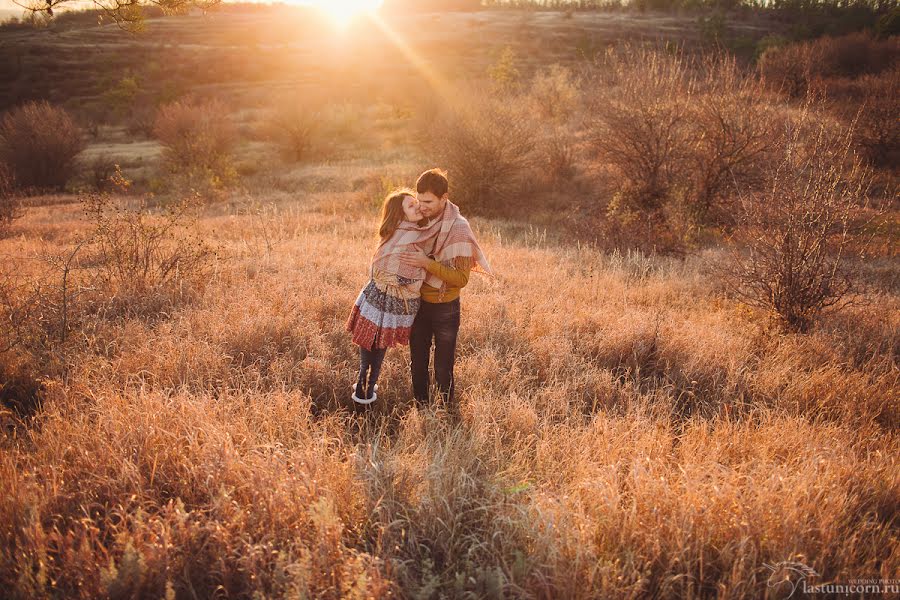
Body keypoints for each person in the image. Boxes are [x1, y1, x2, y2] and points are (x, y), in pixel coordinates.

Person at [399, 168, 492, 412]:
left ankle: (446, 412)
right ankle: (422, 410)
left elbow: (461, 278)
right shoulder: (416, 221)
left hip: (445, 308)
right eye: (419, 201)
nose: (422, 206)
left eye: (428, 201)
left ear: (444, 197)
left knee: (443, 367)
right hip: (417, 304)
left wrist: (425, 263)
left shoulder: (459, 228)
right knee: (417, 363)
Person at [345, 189, 442, 405]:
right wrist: (415, 275)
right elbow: (400, 272)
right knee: (375, 351)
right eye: (411, 206)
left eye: (417, 203)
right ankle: (364, 395)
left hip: (380, 297)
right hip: (383, 301)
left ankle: (365, 385)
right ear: (400, 214)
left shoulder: (403, 230)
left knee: (372, 348)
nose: (418, 207)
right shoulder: (409, 234)